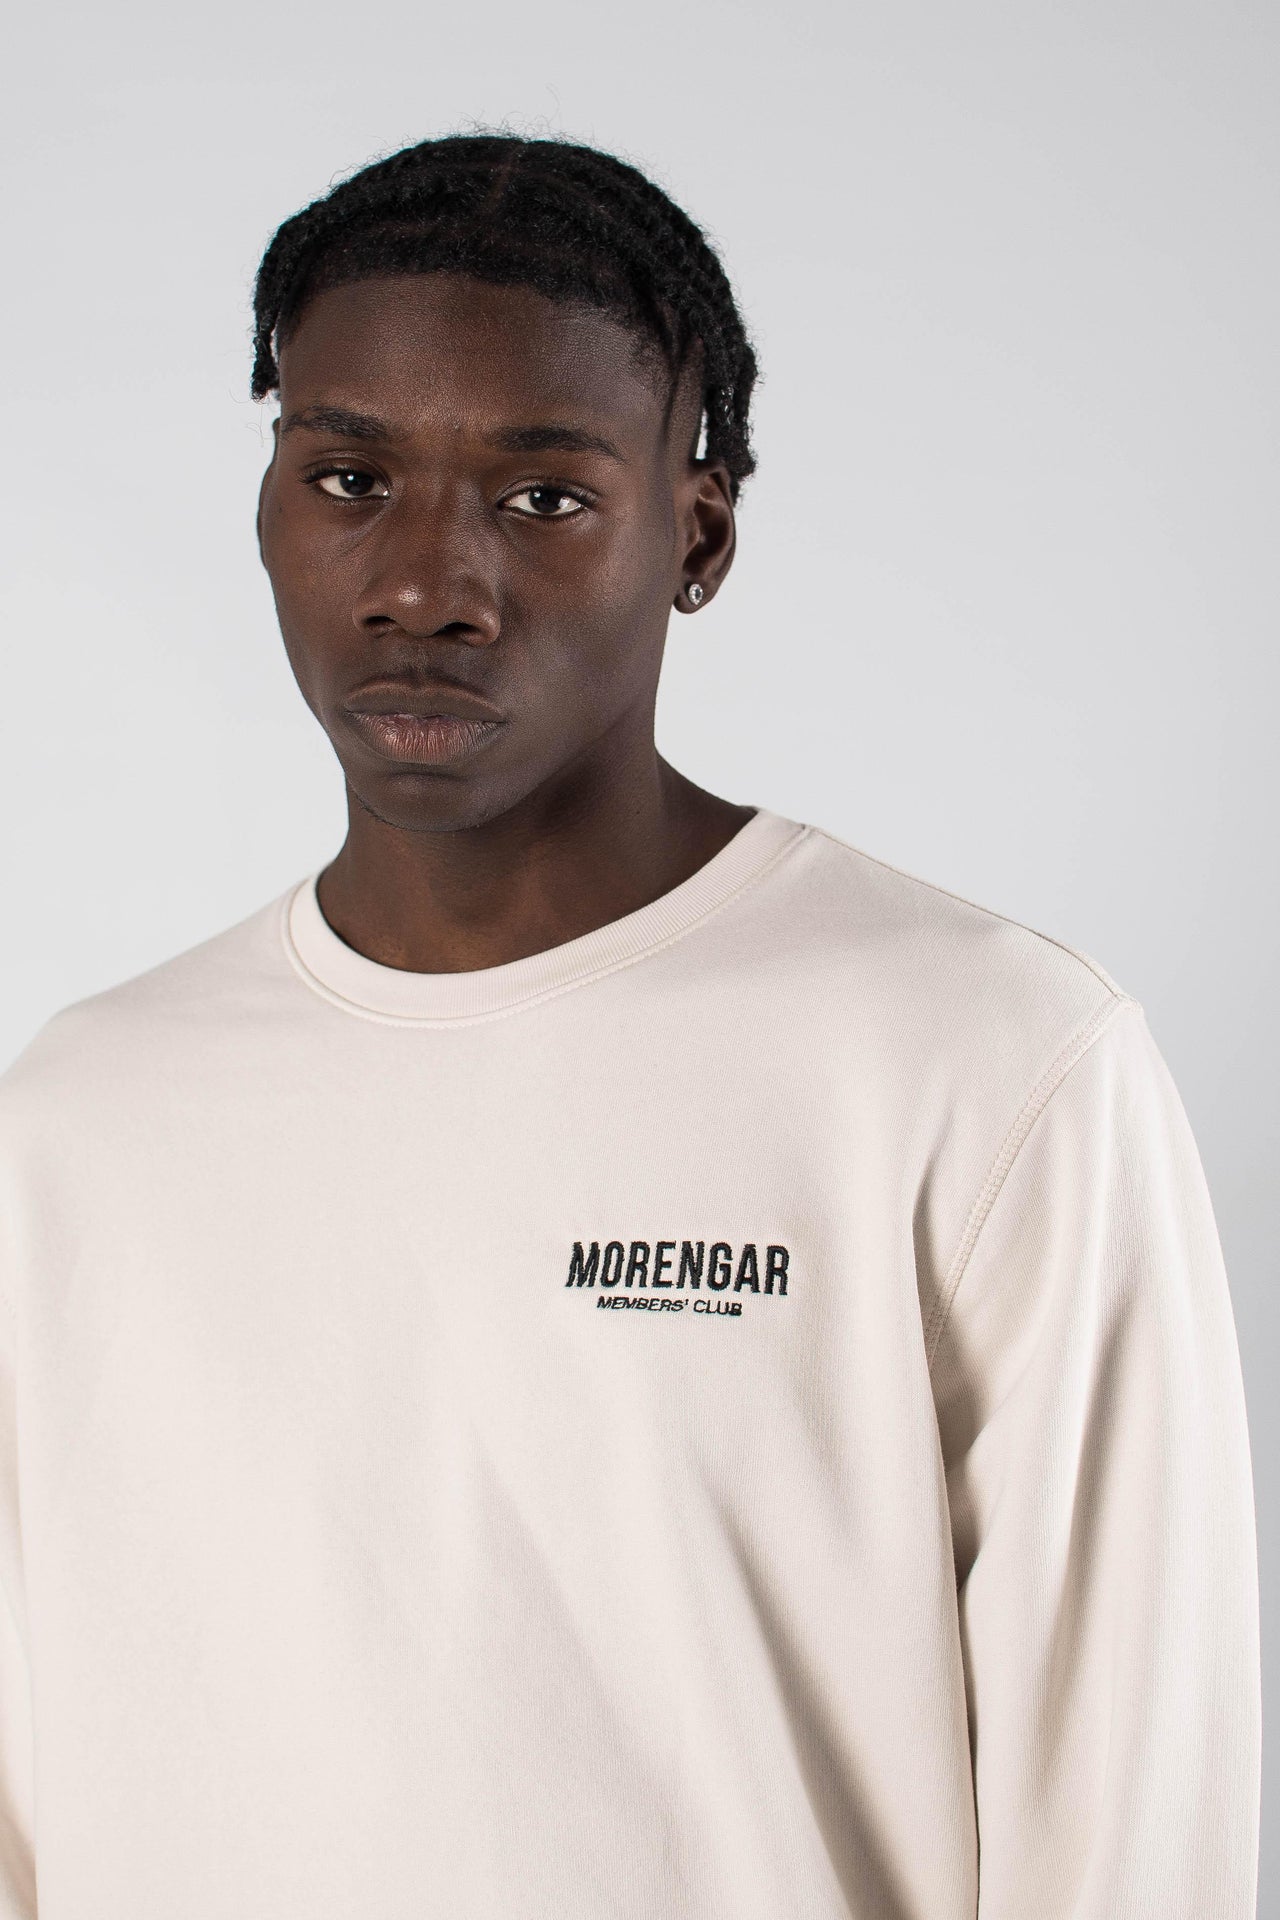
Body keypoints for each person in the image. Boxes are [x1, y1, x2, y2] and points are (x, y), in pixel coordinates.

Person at [0, 132, 1260, 1920]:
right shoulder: (78, 1120)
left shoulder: (989, 1064)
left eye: (543, 497)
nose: (424, 583)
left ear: (700, 533)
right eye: (349, 476)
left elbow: (1135, 1825)